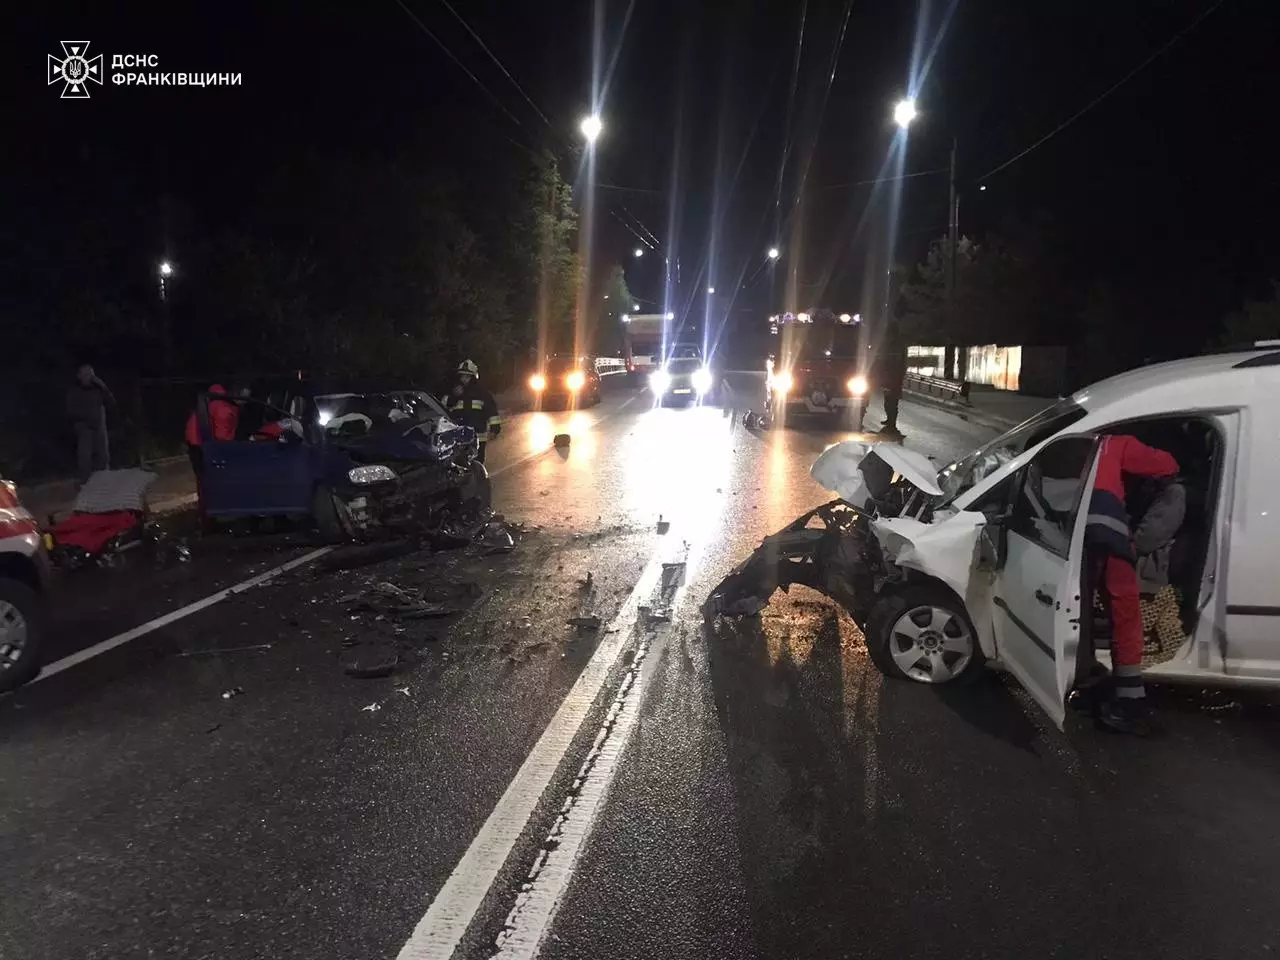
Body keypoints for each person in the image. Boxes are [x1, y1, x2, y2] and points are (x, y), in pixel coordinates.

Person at [1081, 434, 1179, 736]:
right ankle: (1129, 698)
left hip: (1077, 531)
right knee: (1125, 610)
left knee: (1078, 603)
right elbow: (1166, 464)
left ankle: (1083, 671)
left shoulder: (1076, 443)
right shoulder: (1116, 441)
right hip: (1108, 531)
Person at [184, 384, 240, 522]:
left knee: (202, 481)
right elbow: (222, 437)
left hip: (195, 445)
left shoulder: (207, 406)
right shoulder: (222, 408)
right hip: (205, 447)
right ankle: (217, 513)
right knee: (215, 480)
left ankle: (206, 512)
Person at [439, 359, 501, 463]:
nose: (464, 379)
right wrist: (454, 397)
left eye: (467, 376)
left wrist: (495, 429)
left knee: (477, 465)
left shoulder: (482, 393)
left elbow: (492, 412)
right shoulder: (453, 392)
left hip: (477, 438)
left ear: (473, 377)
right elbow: (443, 410)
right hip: (458, 438)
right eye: (462, 376)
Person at [66, 363, 115, 483]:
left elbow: (111, 403)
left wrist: (104, 386)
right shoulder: (75, 391)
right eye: (85, 375)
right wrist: (86, 417)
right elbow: (70, 411)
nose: (88, 377)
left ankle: (104, 480)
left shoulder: (98, 389)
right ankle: (85, 482)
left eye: (90, 375)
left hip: (99, 425)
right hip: (84, 426)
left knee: (103, 456)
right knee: (85, 458)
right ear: (79, 376)